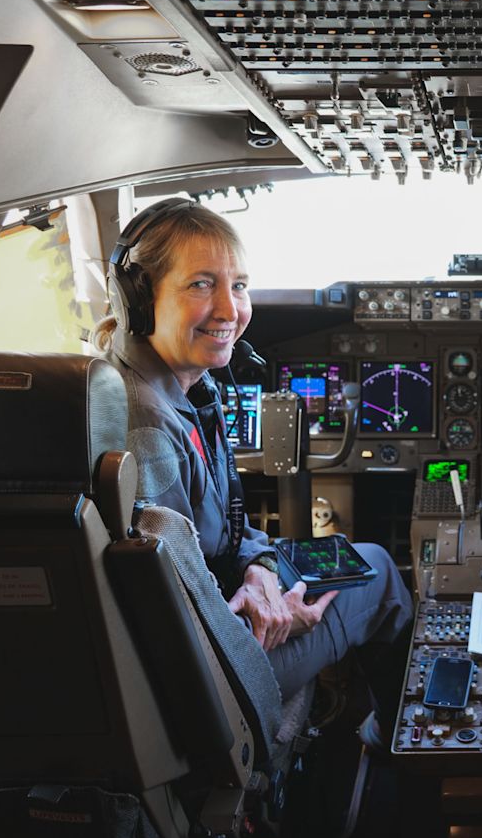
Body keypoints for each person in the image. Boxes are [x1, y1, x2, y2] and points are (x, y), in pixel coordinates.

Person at [95, 200, 412, 718]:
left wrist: (261, 569)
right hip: (215, 676)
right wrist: (279, 612)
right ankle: (385, 748)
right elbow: (175, 627)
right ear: (139, 298)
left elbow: (215, 548)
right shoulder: (147, 429)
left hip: (222, 595)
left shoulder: (163, 388)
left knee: (349, 556)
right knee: (376, 572)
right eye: (201, 284)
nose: (230, 310)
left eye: (238, 285)